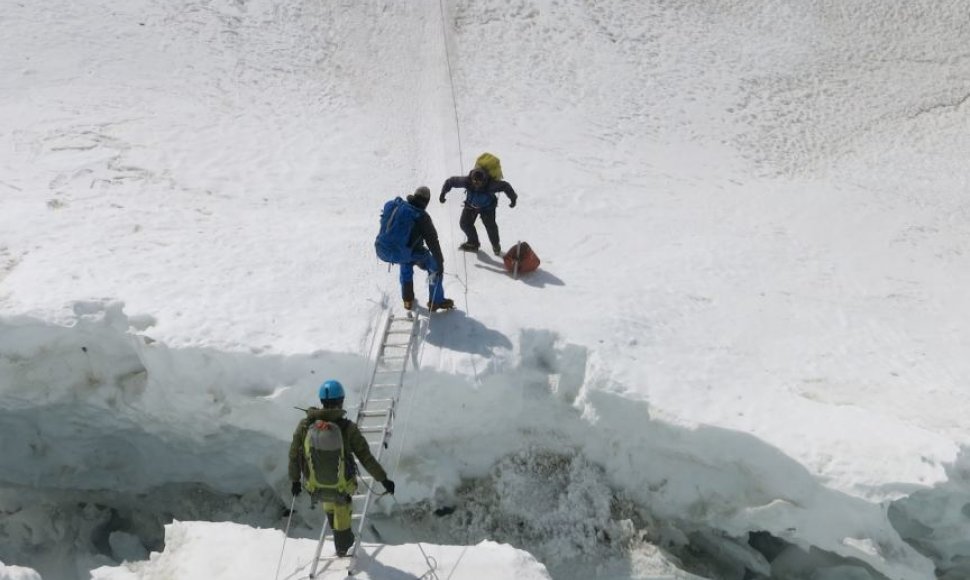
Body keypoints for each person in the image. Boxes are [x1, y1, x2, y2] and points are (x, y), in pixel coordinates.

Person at [288, 380, 396, 557]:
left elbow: (294, 455)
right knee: (342, 504)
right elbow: (366, 457)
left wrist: (294, 481)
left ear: (322, 401)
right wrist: (384, 479)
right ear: (341, 400)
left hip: (314, 485)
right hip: (342, 485)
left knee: (327, 496)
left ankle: (338, 532)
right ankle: (343, 544)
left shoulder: (305, 425)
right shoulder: (347, 428)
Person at [375, 186, 454, 312]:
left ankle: (407, 300)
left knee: (406, 263)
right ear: (427, 201)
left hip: (383, 250)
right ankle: (436, 301)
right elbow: (433, 242)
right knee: (434, 268)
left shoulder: (396, 205)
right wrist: (440, 262)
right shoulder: (422, 216)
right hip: (406, 253)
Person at [439, 166, 518, 255]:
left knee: (490, 227)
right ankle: (473, 243)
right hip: (471, 206)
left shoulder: (491, 185)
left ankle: (495, 245)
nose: (476, 183)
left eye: (479, 182)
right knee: (464, 224)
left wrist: (513, 198)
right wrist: (443, 193)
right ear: (472, 178)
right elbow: (451, 181)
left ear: (484, 180)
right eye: (474, 181)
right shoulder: (467, 181)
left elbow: (505, 186)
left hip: (487, 208)